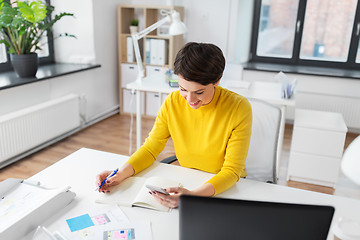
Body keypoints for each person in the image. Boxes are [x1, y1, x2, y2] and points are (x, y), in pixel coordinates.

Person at [96, 42, 252, 208]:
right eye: (182, 88)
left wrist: (194, 196)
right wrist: (121, 173)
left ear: (217, 80)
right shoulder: (172, 101)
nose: (190, 100)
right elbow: (151, 148)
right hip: (187, 180)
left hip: (224, 188)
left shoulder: (238, 107)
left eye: (199, 92)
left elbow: (232, 171)